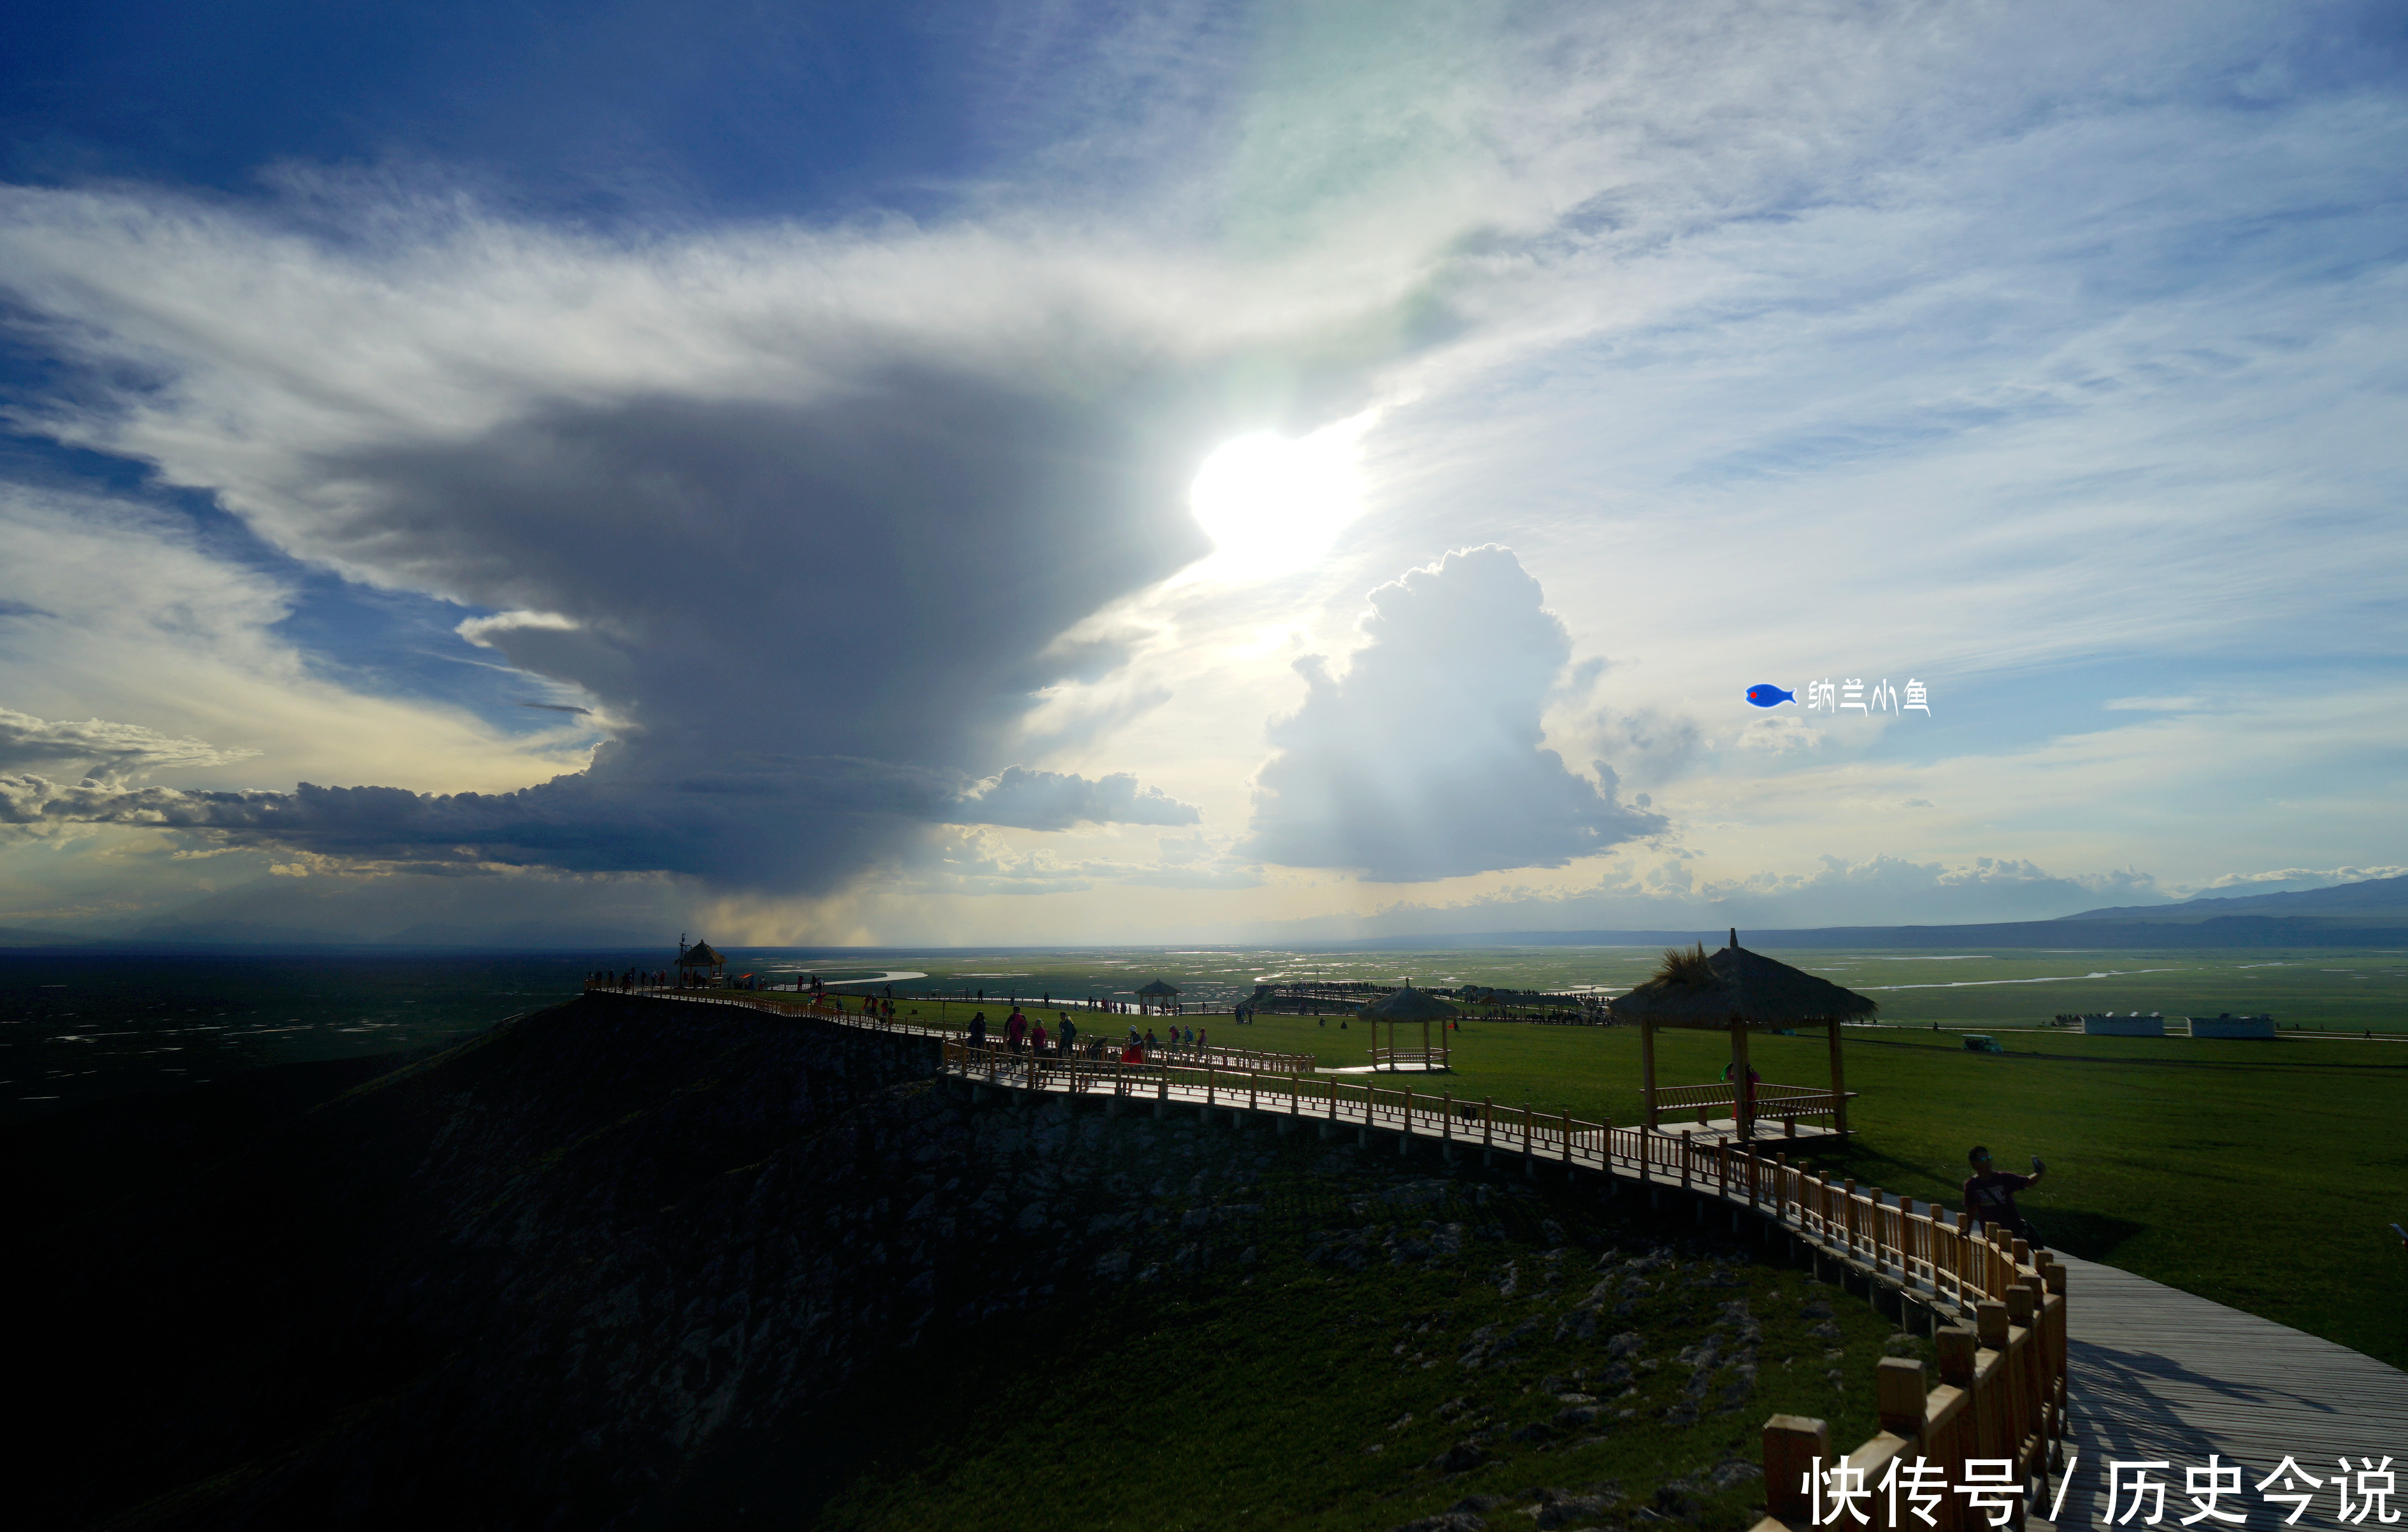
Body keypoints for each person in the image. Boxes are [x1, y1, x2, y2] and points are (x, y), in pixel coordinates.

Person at [1962, 1145, 2048, 1249]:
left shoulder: (2003, 1178)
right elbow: (1971, 1210)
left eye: (1989, 1158)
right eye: (1983, 1159)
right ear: (1974, 1164)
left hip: (2013, 1232)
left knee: (2016, 1261)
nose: (1988, 1161)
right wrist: (1967, 1231)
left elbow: (2027, 1182)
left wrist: (2040, 1173)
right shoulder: (1972, 1185)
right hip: (1991, 1235)